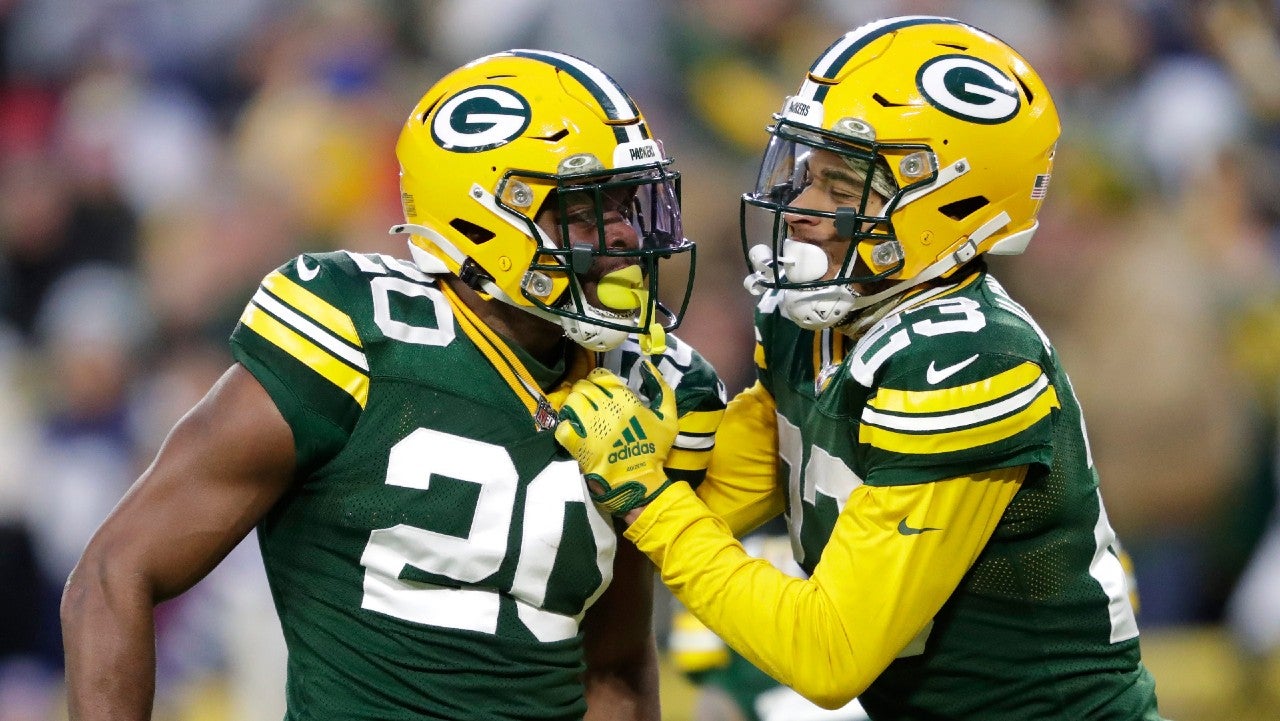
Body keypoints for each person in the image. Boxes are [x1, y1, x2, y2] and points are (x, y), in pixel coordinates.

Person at [60, 49, 727, 721]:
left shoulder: (659, 384)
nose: (623, 234)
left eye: (628, 203)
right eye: (587, 211)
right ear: (484, 216)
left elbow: (610, 666)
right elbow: (115, 575)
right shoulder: (356, 337)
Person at [555, 17, 1168, 720]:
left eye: (842, 188)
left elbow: (828, 655)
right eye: (806, 171)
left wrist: (645, 497)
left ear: (948, 205)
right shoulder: (816, 318)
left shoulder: (967, 358)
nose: (802, 206)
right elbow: (721, 499)